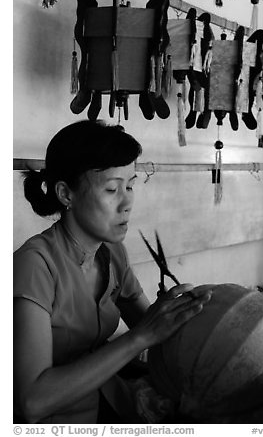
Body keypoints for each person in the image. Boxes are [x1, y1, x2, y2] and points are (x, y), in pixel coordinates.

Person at [13, 120, 212, 424]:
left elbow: (152, 330)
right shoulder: (35, 265)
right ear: (66, 194)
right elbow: (33, 402)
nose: (127, 202)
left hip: (108, 408)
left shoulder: (112, 252)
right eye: (111, 189)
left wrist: (180, 314)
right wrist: (140, 338)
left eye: (130, 185)